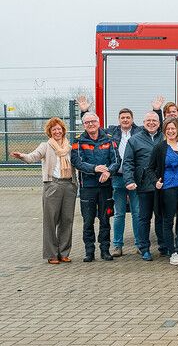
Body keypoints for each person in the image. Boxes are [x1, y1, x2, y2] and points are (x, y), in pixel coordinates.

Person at [77, 96, 142, 257]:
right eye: (122, 118)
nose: (125, 120)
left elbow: (155, 127)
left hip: (134, 179)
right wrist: (85, 111)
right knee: (119, 213)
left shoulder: (140, 131)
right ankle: (117, 245)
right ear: (118, 120)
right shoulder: (111, 131)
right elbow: (91, 127)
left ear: (132, 119)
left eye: (128, 117)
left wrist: (156, 111)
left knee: (137, 212)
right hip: (117, 178)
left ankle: (140, 244)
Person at [12, 117, 77, 264]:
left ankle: (64, 252)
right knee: (50, 221)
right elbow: (33, 157)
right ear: (50, 132)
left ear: (63, 130)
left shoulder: (70, 147)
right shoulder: (45, 146)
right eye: (54, 129)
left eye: (59, 129)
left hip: (69, 185)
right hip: (52, 185)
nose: (57, 131)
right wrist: (22, 156)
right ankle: (52, 254)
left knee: (67, 220)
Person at [70, 112, 120, 262]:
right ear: (83, 125)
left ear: (99, 122)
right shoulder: (78, 142)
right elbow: (77, 161)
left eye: (93, 121)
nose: (90, 124)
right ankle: (89, 251)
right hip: (88, 188)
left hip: (106, 187)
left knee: (105, 220)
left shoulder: (110, 140)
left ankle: (105, 250)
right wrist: (95, 168)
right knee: (88, 221)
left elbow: (117, 160)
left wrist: (109, 172)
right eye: (87, 122)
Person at [148, 118, 178, 265]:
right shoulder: (160, 148)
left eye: (173, 128)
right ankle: (173, 252)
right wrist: (155, 181)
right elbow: (149, 168)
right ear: (164, 131)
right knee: (168, 221)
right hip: (168, 188)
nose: (170, 131)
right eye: (168, 129)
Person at [123, 111, 164, 261]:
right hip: (143, 185)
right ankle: (144, 248)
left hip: (162, 184)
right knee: (144, 218)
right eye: (148, 120)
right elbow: (127, 162)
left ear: (159, 123)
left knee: (162, 217)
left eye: (154, 120)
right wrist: (128, 180)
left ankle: (164, 245)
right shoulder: (134, 140)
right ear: (143, 122)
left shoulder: (165, 137)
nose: (151, 123)